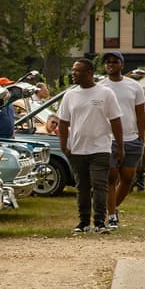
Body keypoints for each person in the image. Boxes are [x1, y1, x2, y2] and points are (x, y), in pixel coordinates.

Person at [58, 58, 123, 235]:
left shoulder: (106, 93)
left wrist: (120, 146)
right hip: (77, 149)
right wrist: (64, 146)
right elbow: (63, 123)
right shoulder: (70, 95)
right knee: (82, 187)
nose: (73, 73)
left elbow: (116, 121)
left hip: (100, 148)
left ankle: (100, 223)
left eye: (77, 71)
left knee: (100, 185)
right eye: (73, 70)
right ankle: (83, 222)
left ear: (89, 73)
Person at [99, 51, 145, 231]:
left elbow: (141, 113)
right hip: (109, 139)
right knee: (111, 178)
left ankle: (114, 207)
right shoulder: (101, 87)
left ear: (122, 65)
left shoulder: (134, 86)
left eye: (114, 62)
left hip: (132, 138)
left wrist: (141, 138)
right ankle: (111, 216)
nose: (111, 65)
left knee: (127, 179)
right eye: (108, 62)